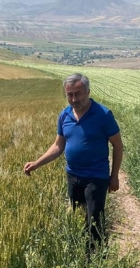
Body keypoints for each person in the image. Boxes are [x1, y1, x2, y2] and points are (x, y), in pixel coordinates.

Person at [24, 73, 123, 256]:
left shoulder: (103, 114)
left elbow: (118, 145)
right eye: (69, 94)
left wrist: (114, 175)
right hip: (73, 175)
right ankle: (79, 257)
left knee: (94, 219)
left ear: (88, 92)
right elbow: (58, 146)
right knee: (76, 217)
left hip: (96, 175)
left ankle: (96, 260)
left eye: (78, 94)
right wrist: (36, 164)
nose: (74, 99)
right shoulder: (65, 115)